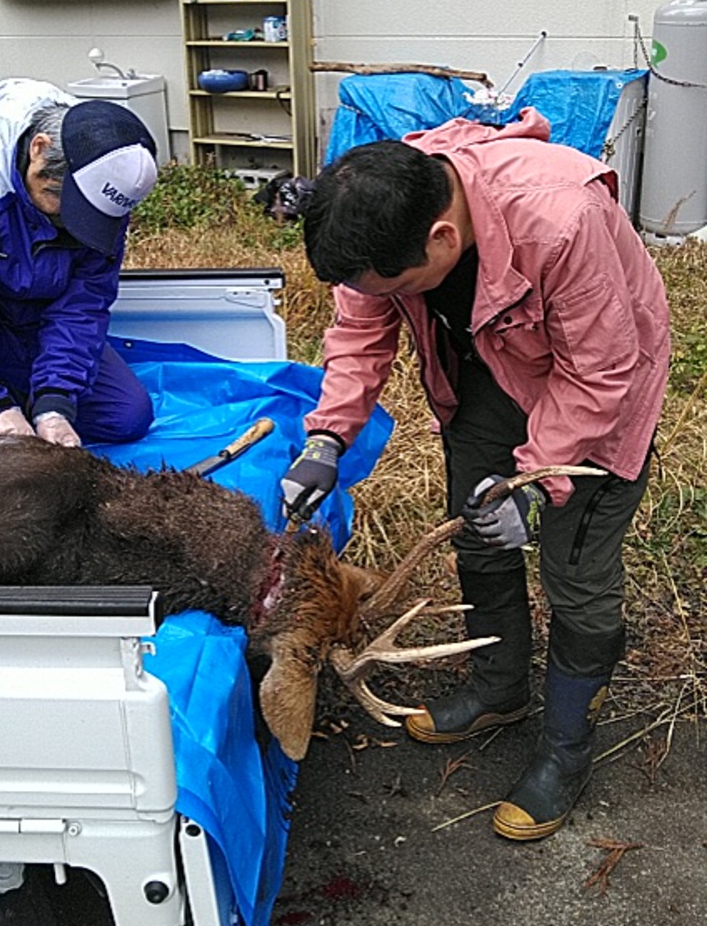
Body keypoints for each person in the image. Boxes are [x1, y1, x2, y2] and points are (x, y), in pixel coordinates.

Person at [280, 110, 670, 842]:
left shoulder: (563, 218)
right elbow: (361, 325)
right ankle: (499, 688)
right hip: (491, 368)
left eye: (392, 284)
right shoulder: (381, 207)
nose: (379, 294)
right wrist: (328, 436)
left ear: (443, 240)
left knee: (577, 571)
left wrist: (530, 482)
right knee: (477, 528)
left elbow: (601, 370)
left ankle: (565, 749)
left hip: (601, 385)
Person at [0, 77, 159, 448]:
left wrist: (55, 402)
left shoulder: (107, 193)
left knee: (127, 417)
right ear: (39, 150)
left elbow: (85, 303)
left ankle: (20, 395)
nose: (69, 219)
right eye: (61, 198)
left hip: (37, 326)